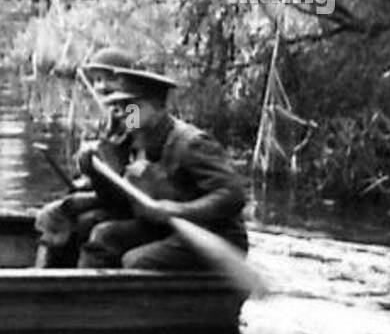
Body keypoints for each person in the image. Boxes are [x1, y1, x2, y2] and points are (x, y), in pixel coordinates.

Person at [77, 68, 248, 270]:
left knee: (136, 261)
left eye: (132, 106)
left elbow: (233, 195)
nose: (124, 113)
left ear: (158, 107)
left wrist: (178, 210)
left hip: (216, 236)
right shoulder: (132, 142)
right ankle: (85, 298)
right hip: (166, 229)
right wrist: (94, 173)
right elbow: (118, 205)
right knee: (104, 236)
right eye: (121, 106)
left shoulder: (191, 144)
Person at [33, 46, 138, 268]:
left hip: (128, 201)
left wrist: (96, 168)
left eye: (109, 79)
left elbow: (127, 165)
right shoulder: (111, 117)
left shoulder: (134, 116)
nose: (101, 86)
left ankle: (59, 280)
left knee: (72, 217)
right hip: (111, 194)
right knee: (57, 214)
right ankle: (45, 275)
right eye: (97, 79)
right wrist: (85, 180)